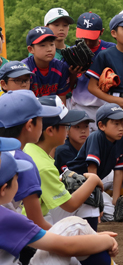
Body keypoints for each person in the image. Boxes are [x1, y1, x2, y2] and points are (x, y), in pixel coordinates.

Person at [23, 96, 104, 230]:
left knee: (80, 187)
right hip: (33, 226)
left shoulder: (31, 148)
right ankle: (88, 244)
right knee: (88, 194)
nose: (67, 130)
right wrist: (93, 179)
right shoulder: (43, 165)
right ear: (50, 130)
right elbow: (70, 205)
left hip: (31, 216)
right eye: (66, 126)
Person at [0, 90, 62, 229]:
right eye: (41, 119)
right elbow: (37, 223)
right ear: (29, 125)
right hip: (7, 241)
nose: (43, 123)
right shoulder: (24, 161)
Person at [67, 103, 123, 213]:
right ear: (102, 125)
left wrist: (115, 201)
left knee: (114, 212)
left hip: (95, 180)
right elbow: (92, 171)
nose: (121, 128)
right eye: (116, 124)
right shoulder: (96, 137)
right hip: (76, 182)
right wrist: (96, 200)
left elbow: (119, 170)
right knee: (101, 213)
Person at [70, 12, 116, 130]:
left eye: (92, 37)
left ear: (101, 32)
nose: (88, 42)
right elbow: (67, 87)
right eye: (84, 37)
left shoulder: (112, 50)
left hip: (106, 107)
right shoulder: (73, 52)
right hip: (80, 107)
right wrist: (73, 75)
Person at [22, 27, 73, 104]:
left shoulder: (61, 67)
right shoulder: (24, 70)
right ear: (30, 49)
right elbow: (22, 102)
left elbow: (62, 102)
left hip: (54, 111)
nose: (49, 49)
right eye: (42, 45)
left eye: (52, 44)